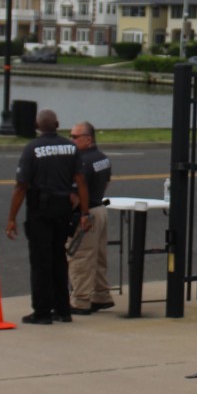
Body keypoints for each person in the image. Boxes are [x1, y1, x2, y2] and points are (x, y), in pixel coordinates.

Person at [6, 108, 89, 325]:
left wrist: (12, 218)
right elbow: (80, 181)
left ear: (36, 126)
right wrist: (84, 213)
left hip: (40, 210)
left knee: (41, 261)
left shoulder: (32, 148)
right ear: (58, 125)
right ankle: (63, 309)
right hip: (63, 209)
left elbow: (21, 186)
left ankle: (42, 311)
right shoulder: (71, 147)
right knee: (59, 258)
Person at [67, 120, 114, 314]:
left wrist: (70, 213)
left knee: (80, 257)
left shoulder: (82, 162)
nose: (71, 140)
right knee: (98, 257)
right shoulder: (102, 158)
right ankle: (101, 295)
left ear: (88, 139)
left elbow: (76, 194)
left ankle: (80, 301)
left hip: (86, 214)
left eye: (75, 137)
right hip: (100, 209)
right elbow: (106, 182)